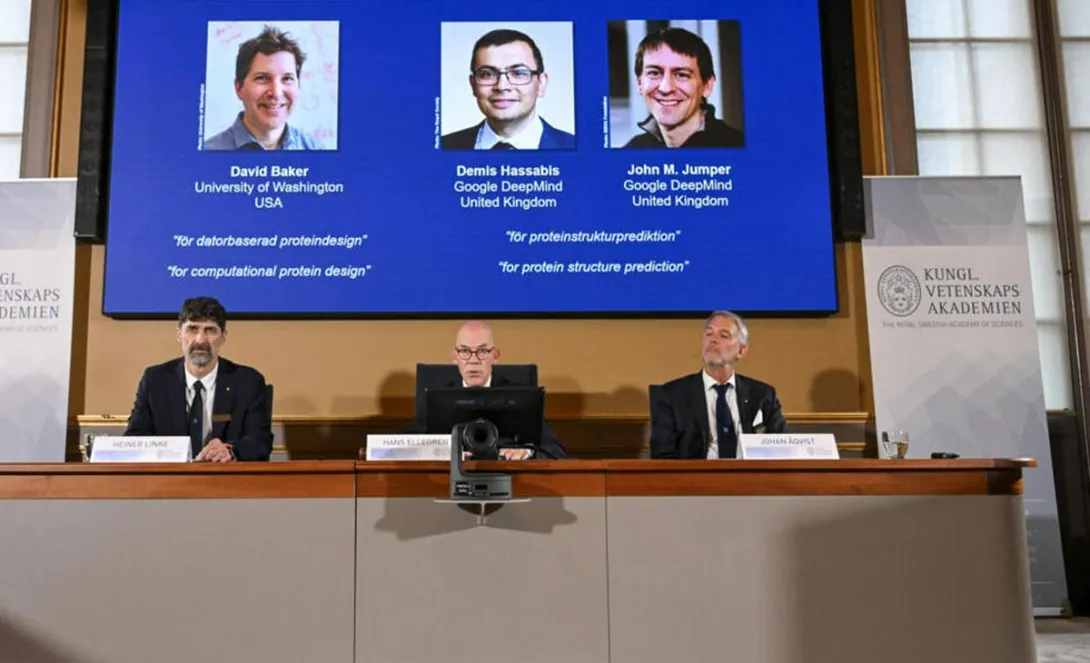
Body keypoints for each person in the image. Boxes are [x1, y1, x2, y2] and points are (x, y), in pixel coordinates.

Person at [123, 296, 274, 462]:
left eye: (210, 330)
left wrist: (230, 450)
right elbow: (134, 438)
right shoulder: (155, 380)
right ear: (179, 334)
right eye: (192, 329)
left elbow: (260, 442)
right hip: (168, 482)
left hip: (226, 480)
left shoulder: (247, 382)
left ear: (223, 336)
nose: (201, 340)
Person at [408, 320, 566, 459]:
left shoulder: (520, 398)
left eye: (482, 352)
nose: (474, 360)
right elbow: (405, 449)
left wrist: (527, 452)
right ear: (455, 357)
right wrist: (439, 452)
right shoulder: (438, 401)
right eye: (465, 352)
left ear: (495, 356)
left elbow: (555, 452)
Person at [649, 311, 785, 459]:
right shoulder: (671, 395)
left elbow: (784, 450)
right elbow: (662, 458)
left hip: (750, 479)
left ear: (741, 350)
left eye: (724, 335)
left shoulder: (762, 395)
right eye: (709, 334)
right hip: (694, 479)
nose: (713, 340)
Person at [442, 29, 575, 150]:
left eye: (518, 73)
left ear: (541, 84)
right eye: (487, 74)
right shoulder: (443, 147)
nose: (502, 86)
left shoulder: (576, 148)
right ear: (473, 85)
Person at [204, 25, 324, 151]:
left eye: (287, 79)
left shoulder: (317, 151)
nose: (276, 93)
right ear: (239, 88)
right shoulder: (208, 153)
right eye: (262, 78)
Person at [623, 27, 744, 149]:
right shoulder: (630, 153)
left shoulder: (738, 148)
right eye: (654, 73)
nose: (666, 88)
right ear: (639, 83)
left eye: (682, 75)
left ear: (707, 85)